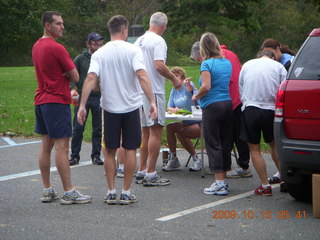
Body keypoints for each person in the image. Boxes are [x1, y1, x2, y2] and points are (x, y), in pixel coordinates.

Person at [77, 15, 157, 205]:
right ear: (124, 30)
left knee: (110, 150)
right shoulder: (133, 50)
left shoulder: (99, 53)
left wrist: (82, 105)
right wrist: (152, 101)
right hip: (131, 107)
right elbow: (142, 75)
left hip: (110, 108)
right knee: (130, 149)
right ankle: (126, 191)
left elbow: (90, 79)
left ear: (110, 31)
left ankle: (111, 191)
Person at [32, 11, 91, 204]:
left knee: (46, 146)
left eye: (62, 23)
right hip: (56, 100)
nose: (62, 27)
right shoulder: (57, 47)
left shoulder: (36, 46)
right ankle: (69, 191)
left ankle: (47, 189)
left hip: (41, 99)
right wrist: (66, 75)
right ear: (48, 25)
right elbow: (75, 77)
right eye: (58, 23)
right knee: (62, 147)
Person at [134, 12, 182, 187]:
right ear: (164, 26)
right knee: (156, 130)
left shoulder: (138, 40)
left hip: (139, 90)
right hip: (154, 90)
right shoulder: (158, 41)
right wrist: (174, 79)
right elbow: (159, 65)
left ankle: (142, 170)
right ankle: (151, 173)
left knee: (145, 131)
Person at [190, 42, 251, 177]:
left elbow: (208, 86)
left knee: (217, 140)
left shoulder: (211, 62)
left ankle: (229, 170)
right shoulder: (228, 58)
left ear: (202, 51)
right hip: (230, 101)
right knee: (227, 138)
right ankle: (225, 171)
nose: (199, 62)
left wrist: (196, 96)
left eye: (198, 59)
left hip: (223, 101)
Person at [239, 50, 287, 196]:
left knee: (254, 148)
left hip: (251, 108)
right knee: (274, 144)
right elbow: (283, 88)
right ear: (272, 57)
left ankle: (265, 185)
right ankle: (284, 181)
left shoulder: (247, 65)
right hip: (270, 109)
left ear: (259, 55)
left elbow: (241, 88)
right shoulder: (278, 66)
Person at [191, 32, 233, 196]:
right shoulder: (226, 63)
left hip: (212, 106)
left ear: (203, 47)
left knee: (213, 142)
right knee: (225, 142)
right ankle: (224, 178)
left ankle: (219, 182)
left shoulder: (207, 64)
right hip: (227, 104)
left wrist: (196, 95)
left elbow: (206, 86)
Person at [260, 38, 295, 186]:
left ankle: (285, 172)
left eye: (272, 53)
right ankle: (282, 172)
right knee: (276, 140)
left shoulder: (287, 62)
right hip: (275, 105)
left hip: (286, 104)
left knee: (278, 140)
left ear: (277, 49)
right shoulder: (277, 62)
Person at [69, 32, 104, 166]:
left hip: (98, 98)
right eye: (95, 44)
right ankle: (74, 155)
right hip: (83, 97)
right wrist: (73, 88)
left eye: (100, 44)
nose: (98, 47)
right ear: (89, 44)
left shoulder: (103, 58)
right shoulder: (80, 59)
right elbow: (71, 75)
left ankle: (96, 155)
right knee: (78, 128)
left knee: (97, 129)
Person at [163, 67, 201, 172]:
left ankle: (196, 159)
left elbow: (192, 92)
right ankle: (173, 158)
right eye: (171, 77)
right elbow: (169, 107)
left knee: (181, 133)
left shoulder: (188, 85)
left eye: (176, 76)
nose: (173, 79)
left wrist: (189, 86)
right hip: (186, 121)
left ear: (182, 78)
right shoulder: (173, 91)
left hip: (199, 122)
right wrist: (174, 109)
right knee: (170, 127)